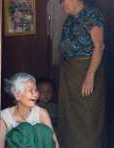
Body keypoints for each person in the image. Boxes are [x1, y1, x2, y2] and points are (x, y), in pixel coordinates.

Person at [58, 0, 105, 148]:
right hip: (70, 74)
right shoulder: (70, 19)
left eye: (63, 1)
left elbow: (99, 46)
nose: (61, 5)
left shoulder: (91, 14)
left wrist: (90, 76)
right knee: (69, 116)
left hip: (86, 71)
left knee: (87, 115)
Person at [0, 73, 59, 148]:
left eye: (36, 90)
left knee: (39, 129)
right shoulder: (4, 116)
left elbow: (55, 143)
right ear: (17, 95)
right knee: (25, 129)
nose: (35, 95)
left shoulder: (42, 113)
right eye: (30, 90)